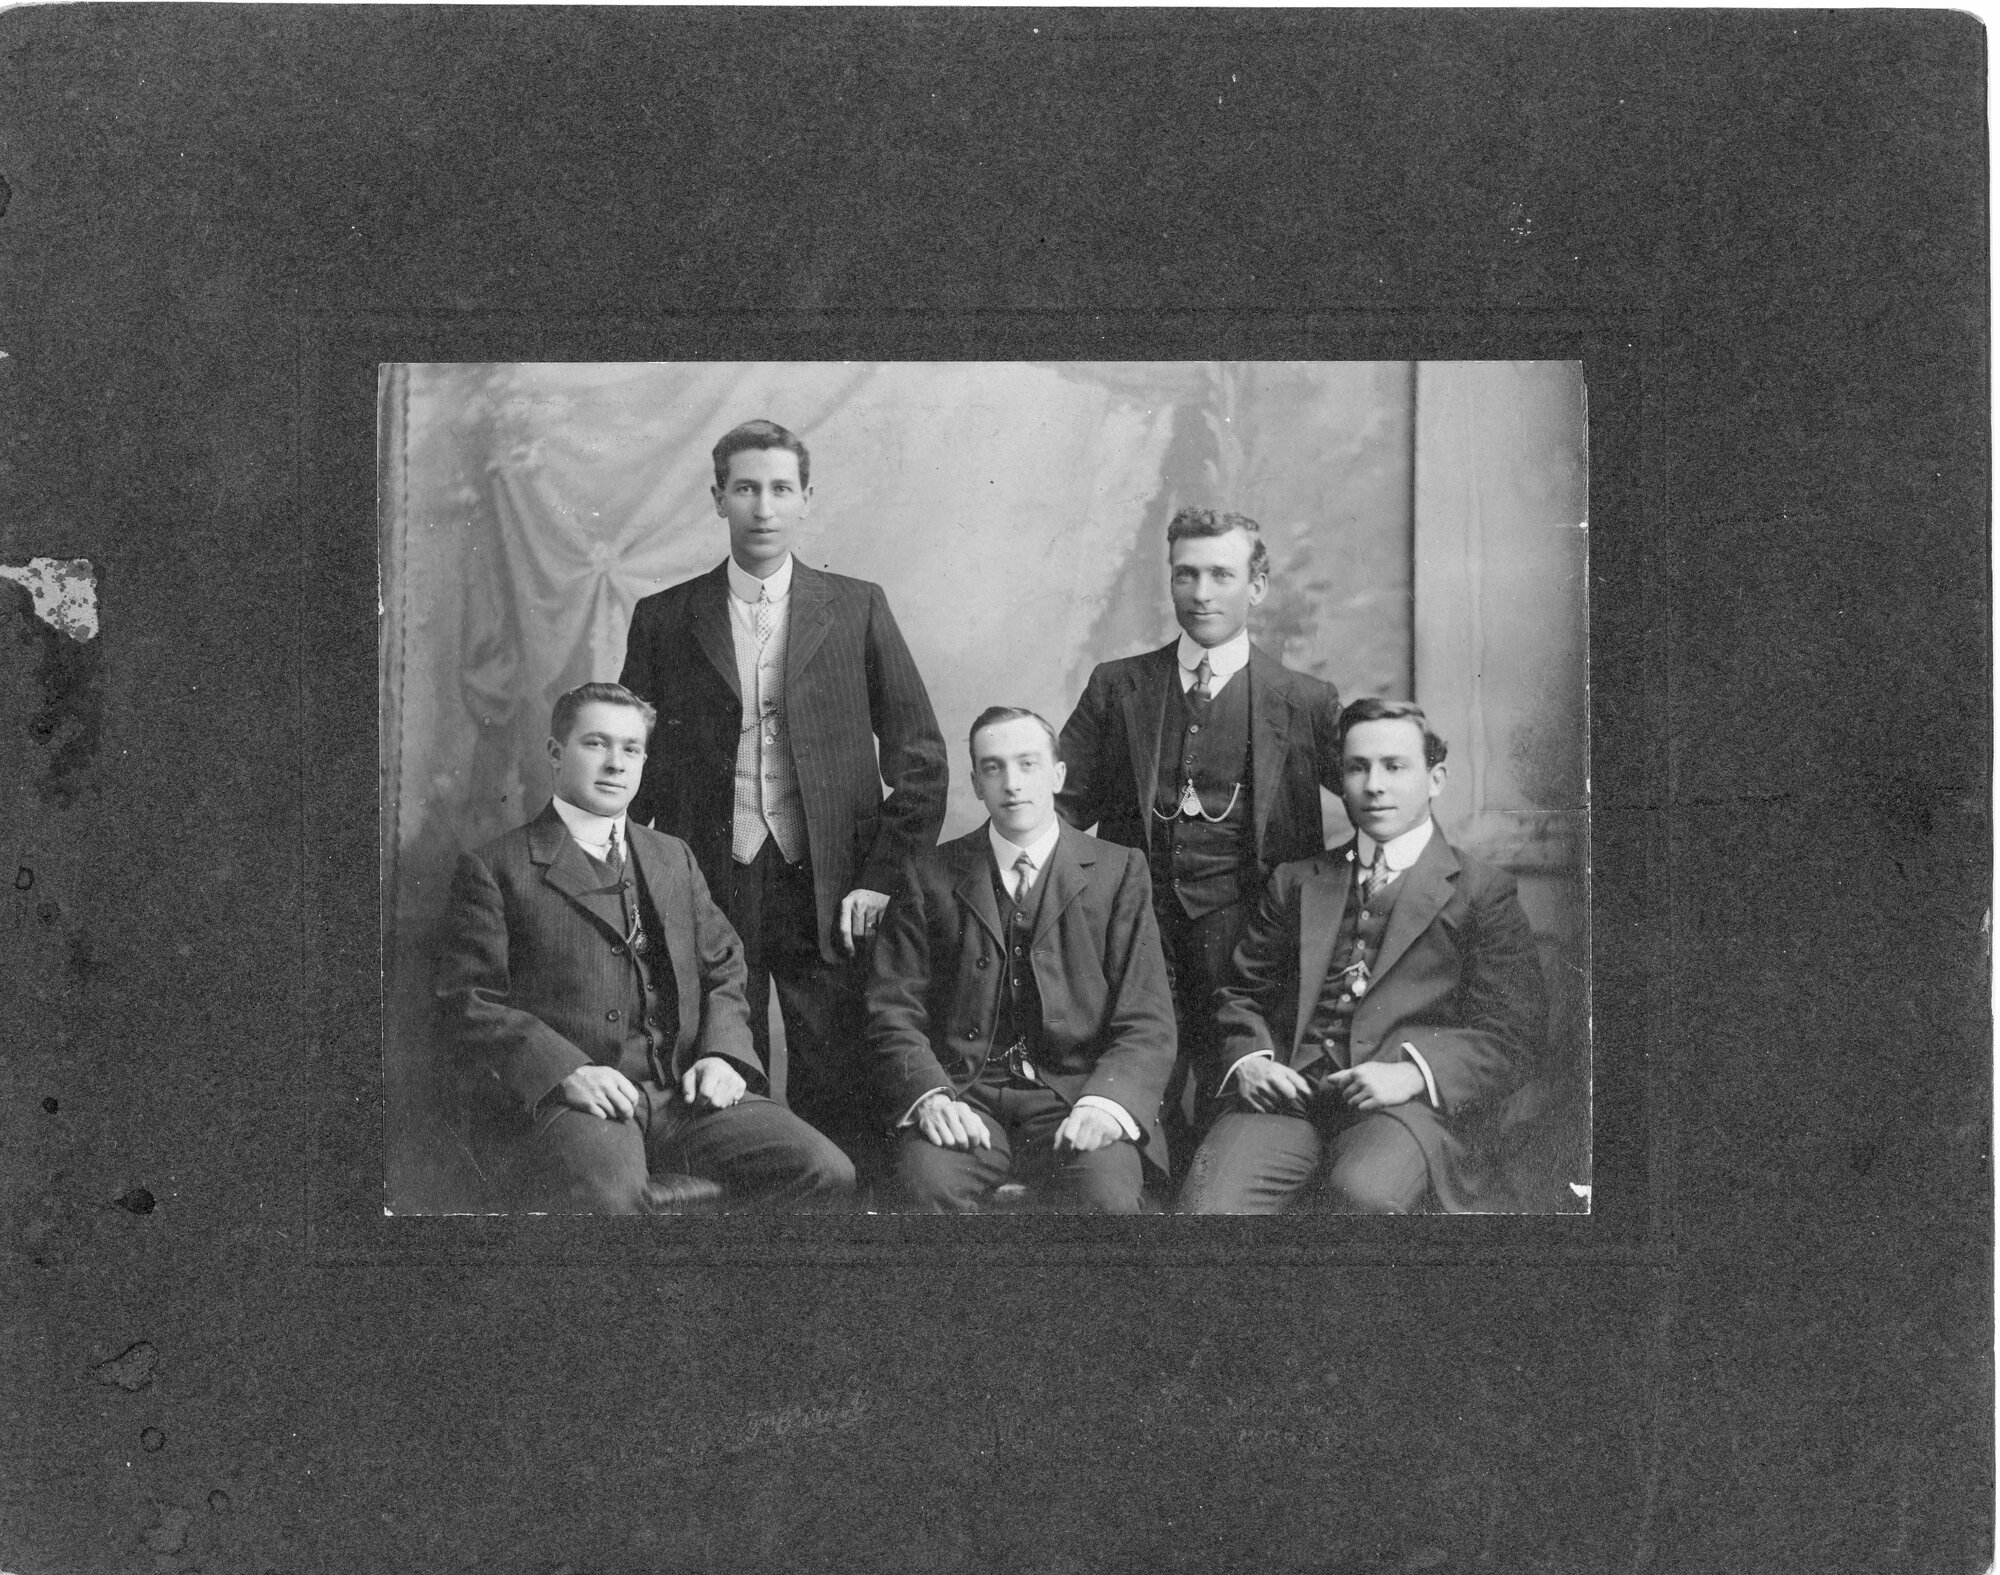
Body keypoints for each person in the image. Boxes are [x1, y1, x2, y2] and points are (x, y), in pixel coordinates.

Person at [617, 420, 948, 1173]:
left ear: (806, 500)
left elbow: (923, 763)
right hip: (708, 875)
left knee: (839, 1077)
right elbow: (630, 769)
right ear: (717, 499)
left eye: (779, 490)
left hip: (827, 882)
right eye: (744, 489)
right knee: (718, 1069)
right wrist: (642, 881)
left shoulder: (857, 607)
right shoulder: (665, 618)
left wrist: (877, 877)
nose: (762, 507)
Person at [435, 682, 855, 1213]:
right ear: (555, 753)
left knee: (826, 1171)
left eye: (631, 749)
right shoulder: (497, 868)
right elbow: (469, 1001)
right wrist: (565, 1071)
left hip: (683, 1095)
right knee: (612, 1201)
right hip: (586, 1100)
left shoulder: (671, 855)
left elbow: (725, 965)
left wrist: (724, 1054)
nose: (616, 764)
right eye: (596, 744)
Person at [1178, 698, 1547, 1214]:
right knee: (1210, 1204)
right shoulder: (1297, 880)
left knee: (1366, 1196)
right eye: (1357, 768)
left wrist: (1414, 1074)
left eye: (1395, 767)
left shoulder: (1481, 891)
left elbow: (1514, 1034)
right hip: (1288, 1096)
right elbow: (1240, 995)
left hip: (1405, 1108)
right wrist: (1250, 1061)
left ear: (1435, 779)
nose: (1374, 785)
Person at [1055, 507, 1342, 1169]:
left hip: (1247, 941)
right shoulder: (1117, 685)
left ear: (1258, 586)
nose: (1202, 592)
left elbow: (1375, 801)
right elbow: (1060, 809)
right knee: (1136, 1110)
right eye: (1186, 574)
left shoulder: (1305, 700)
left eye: (1221, 574)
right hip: (1132, 931)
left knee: (1228, 1110)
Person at [864, 708, 1176, 1212]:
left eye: (1028, 764)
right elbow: (893, 1009)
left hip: (1076, 1096)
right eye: (993, 768)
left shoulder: (1119, 872)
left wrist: (1105, 1103)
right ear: (975, 784)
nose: (1012, 784)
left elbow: (1148, 1018)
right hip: (967, 1095)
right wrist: (930, 1095)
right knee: (923, 1188)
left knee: (1108, 1198)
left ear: (1057, 775)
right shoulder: (929, 874)